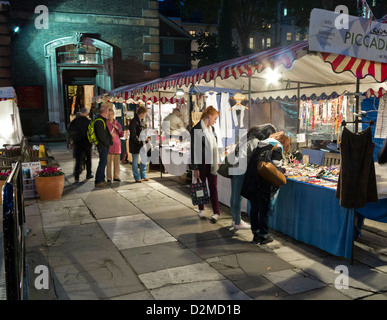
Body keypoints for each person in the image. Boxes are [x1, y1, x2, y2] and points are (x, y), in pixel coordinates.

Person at [241, 131, 290, 244]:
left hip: (252, 181)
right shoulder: (277, 147)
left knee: (254, 208)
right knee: (263, 210)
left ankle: (255, 234)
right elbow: (276, 165)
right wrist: (283, 170)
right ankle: (263, 235)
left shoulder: (260, 145)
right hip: (263, 182)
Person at [226, 124, 277, 230]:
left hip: (235, 167)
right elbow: (253, 157)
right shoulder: (254, 142)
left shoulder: (248, 137)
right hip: (241, 169)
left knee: (235, 195)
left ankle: (235, 219)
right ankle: (237, 222)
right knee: (237, 196)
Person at [190, 105, 221, 223]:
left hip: (212, 162)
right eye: (215, 118)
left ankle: (216, 212)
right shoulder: (196, 129)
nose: (215, 121)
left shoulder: (211, 129)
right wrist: (195, 168)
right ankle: (201, 209)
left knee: (213, 187)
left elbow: (215, 145)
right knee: (201, 186)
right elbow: (194, 150)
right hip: (201, 163)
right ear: (209, 116)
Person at [68, 108, 93, 183]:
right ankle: (88, 174)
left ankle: (76, 177)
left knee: (78, 160)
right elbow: (91, 132)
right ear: (86, 113)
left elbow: (70, 131)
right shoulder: (88, 122)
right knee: (88, 159)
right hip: (87, 143)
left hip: (77, 143)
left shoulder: (75, 121)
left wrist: (70, 142)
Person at [94, 104, 113, 188]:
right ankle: (98, 181)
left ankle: (101, 179)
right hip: (102, 146)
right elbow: (101, 136)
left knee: (103, 162)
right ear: (105, 112)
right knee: (102, 163)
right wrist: (107, 143)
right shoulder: (99, 121)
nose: (109, 113)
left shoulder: (101, 120)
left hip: (102, 145)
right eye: (108, 111)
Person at [129, 106, 149, 183]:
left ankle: (143, 175)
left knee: (144, 159)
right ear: (142, 113)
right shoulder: (134, 121)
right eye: (145, 113)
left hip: (142, 144)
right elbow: (133, 135)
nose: (145, 115)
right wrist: (139, 141)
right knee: (135, 161)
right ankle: (137, 177)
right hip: (135, 144)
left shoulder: (142, 121)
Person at [106, 109, 124, 182]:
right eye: (109, 114)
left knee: (117, 163)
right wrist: (109, 134)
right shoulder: (106, 124)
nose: (110, 116)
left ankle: (116, 176)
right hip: (109, 146)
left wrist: (117, 129)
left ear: (114, 115)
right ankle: (109, 178)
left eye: (111, 114)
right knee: (109, 163)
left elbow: (121, 134)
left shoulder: (117, 123)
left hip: (117, 146)